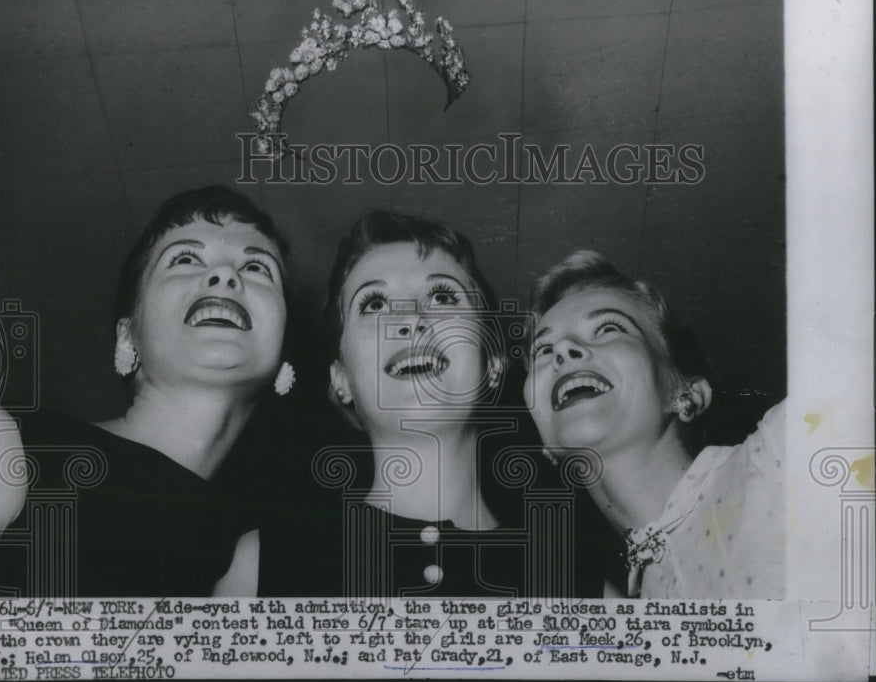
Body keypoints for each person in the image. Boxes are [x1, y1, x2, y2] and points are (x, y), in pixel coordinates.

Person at [258, 212, 605, 598]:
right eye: (374, 304)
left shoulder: (579, 588)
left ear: (492, 363)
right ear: (342, 379)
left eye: (441, 297)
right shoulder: (263, 563)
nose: (409, 319)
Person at [0, 185, 295, 598]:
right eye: (184, 259)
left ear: (283, 357)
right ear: (127, 339)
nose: (225, 276)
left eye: (258, 268)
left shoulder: (252, 561)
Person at [523, 250, 785, 598]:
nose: (564, 349)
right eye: (542, 349)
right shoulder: (625, 604)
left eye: (608, 328)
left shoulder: (781, 456)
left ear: (686, 393)